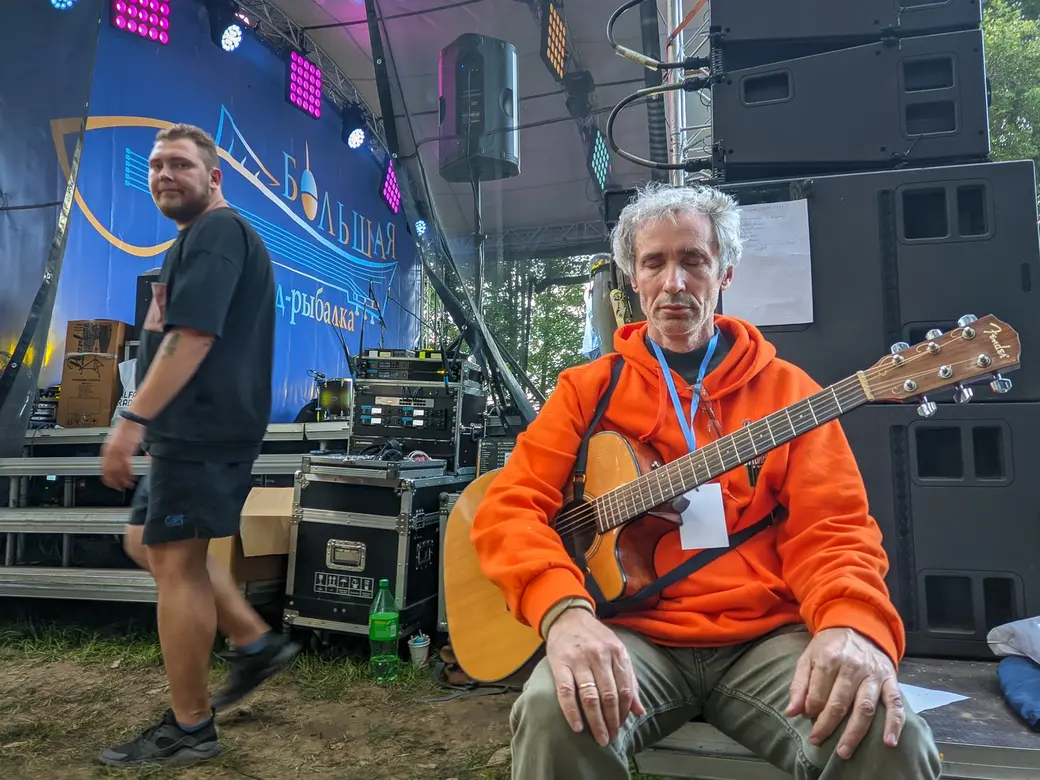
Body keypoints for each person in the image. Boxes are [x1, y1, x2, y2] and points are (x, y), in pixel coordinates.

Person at [470, 182, 944, 780]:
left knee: (882, 732)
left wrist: (852, 624)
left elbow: (836, 531)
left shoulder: (791, 394)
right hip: (630, 634)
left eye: (693, 259)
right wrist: (564, 614)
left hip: (765, 638)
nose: (674, 282)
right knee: (549, 710)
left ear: (725, 274)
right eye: (654, 262)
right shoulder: (585, 392)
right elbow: (509, 510)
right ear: (633, 279)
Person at [99, 123, 299, 767]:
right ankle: (253, 642)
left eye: (180, 165)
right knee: (148, 544)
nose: (164, 175)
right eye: (156, 165)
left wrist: (130, 421)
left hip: (205, 427)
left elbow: (192, 339)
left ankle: (190, 728)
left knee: (178, 563)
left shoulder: (218, 233)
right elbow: (164, 334)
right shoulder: (191, 243)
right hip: (185, 429)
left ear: (213, 178)